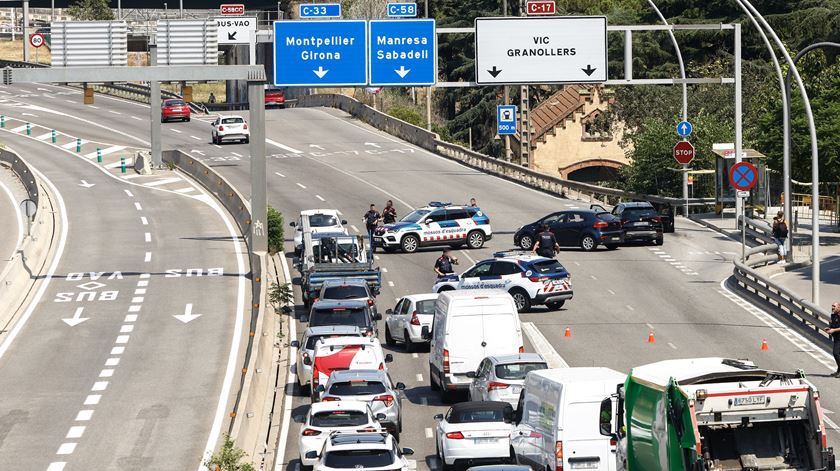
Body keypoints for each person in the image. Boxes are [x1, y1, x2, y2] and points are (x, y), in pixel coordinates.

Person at [824, 302, 840, 377]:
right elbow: (834, 325)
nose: (832, 307)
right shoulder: (833, 315)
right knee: (838, 354)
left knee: (836, 353)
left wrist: (833, 330)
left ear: (839, 307)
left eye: (834, 306)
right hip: (837, 338)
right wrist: (829, 328)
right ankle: (838, 371)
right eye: (832, 306)